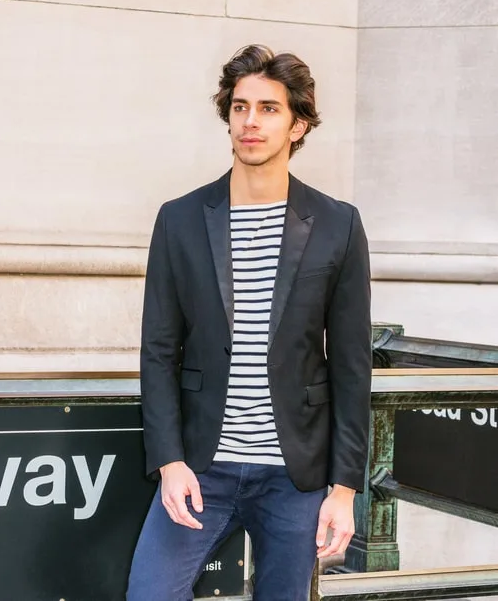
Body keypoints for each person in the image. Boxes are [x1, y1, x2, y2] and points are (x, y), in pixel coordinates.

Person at [127, 44, 372, 601]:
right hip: (199, 467)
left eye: (268, 108)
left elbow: (353, 367)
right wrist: (169, 460)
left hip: (296, 475)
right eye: (240, 107)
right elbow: (159, 350)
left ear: (298, 124)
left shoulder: (338, 224)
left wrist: (344, 488)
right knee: (150, 594)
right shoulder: (182, 219)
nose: (250, 122)